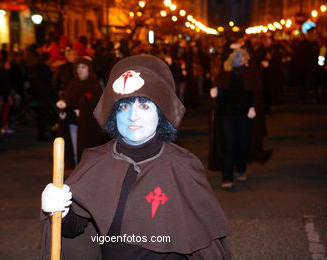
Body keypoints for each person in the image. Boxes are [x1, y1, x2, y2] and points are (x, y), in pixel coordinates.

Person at [41, 55, 230, 259]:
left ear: (161, 113)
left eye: (144, 106)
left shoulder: (183, 164)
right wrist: (59, 209)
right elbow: (74, 229)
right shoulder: (96, 162)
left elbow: (203, 241)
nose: (132, 116)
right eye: (124, 107)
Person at [208, 45, 269, 190]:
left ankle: (241, 169)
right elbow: (219, 95)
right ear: (230, 59)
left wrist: (253, 108)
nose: (240, 58)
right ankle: (227, 177)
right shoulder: (224, 74)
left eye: (242, 55)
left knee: (243, 143)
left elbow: (256, 93)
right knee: (228, 145)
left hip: (245, 115)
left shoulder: (250, 73)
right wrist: (215, 94)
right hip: (226, 115)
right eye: (237, 56)